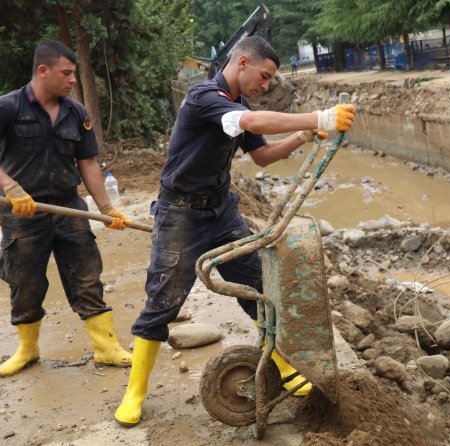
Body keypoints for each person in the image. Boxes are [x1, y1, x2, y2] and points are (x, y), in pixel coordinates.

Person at [114, 35, 355, 426]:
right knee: (163, 302)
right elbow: (248, 122)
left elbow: (261, 156)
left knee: (261, 289)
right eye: (264, 76)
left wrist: (301, 136)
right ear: (242, 62)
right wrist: (320, 117)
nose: (266, 86)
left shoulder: (239, 105)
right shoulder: (204, 98)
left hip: (221, 212)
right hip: (180, 213)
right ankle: (135, 392)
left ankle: (282, 364)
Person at [0, 41, 134, 377]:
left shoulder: (76, 113)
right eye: (67, 73)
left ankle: (105, 348)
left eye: (74, 73)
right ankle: (27, 350)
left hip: (67, 207)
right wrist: (10, 186)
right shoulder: (8, 108)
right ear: (43, 71)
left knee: (87, 274)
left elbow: (87, 162)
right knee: (25, 281)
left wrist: (106, 207)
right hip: (22, 212)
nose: (73, 79)